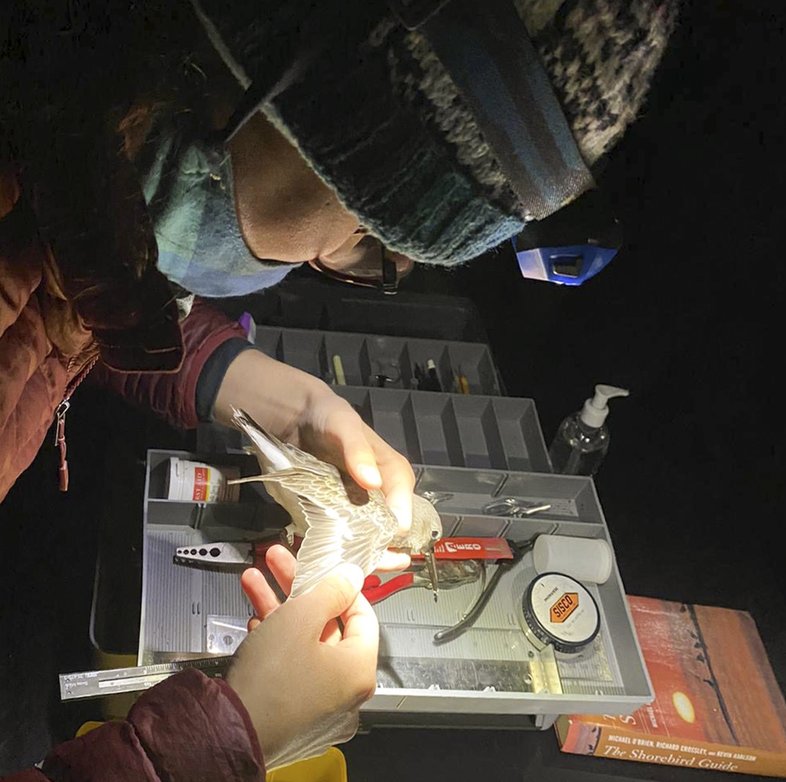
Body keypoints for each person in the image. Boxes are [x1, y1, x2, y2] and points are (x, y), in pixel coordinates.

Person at [0, 0, 677, 777]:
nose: (348, 258)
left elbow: (85, 311)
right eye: (362, 228)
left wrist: (288, 402)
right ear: (247, 79)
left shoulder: (63, 196)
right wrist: (217, 743)